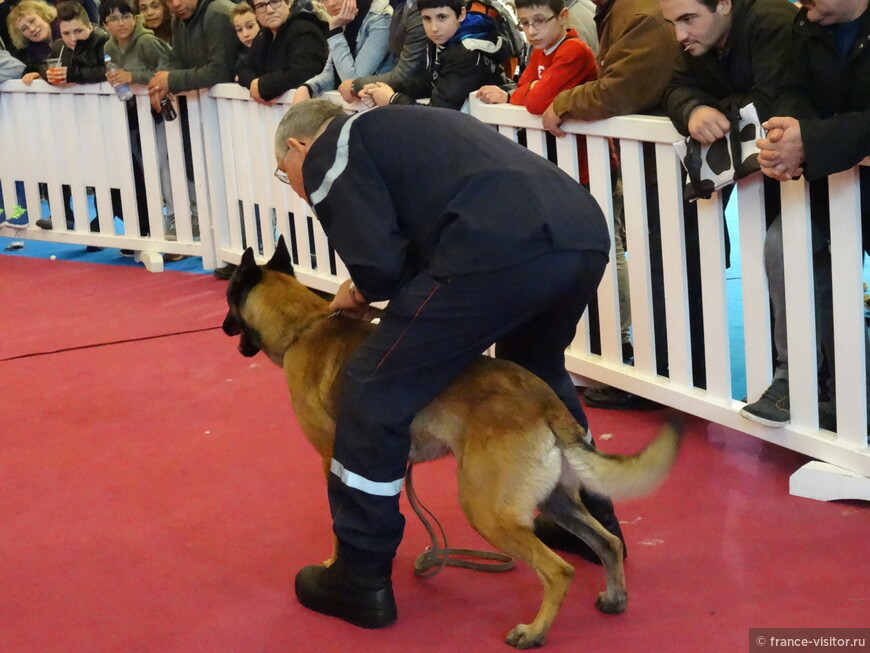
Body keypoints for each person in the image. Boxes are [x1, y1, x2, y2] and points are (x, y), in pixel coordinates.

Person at [274, 99, 613, 628]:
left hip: (495, 245)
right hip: (580, 231)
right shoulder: (401, 125)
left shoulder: (328, 151)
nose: (297, 187)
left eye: (285, 174)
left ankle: (359, 575)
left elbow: (381, 268)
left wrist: (361, 287)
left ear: (298, 147)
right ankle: (587, 524)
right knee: (535, 371)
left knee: (366, 388)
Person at [747, 0, 870, 429]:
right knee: (783, 246)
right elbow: (787, 91)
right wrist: (792, 133)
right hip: (830, 180)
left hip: (837, 168)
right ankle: (797, 377)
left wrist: (811, 139)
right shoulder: (804, 25)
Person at [476, 0, 598, 183]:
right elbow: (523, 86)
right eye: (525, 23)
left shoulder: (574, 50)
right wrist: (533, 88)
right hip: (556, 159)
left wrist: (525, 91)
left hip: (586, 164)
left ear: (563, 16)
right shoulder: (540, 50)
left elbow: (536, 102)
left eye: (540, 21)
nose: (531, 31)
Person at [357, 0, 511, 109]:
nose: (434, 28)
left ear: (461, 14)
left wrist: (391, 99)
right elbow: (429, 82)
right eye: (427, 18)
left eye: (442, 17)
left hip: (486, 135)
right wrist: (382, 89)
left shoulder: (466, 52)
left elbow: (438, 112)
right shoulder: (443, 39)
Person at [291, 0, 394, 103]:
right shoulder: (344, 19)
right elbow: (332, 72)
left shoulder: (381, 17)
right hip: (356, 108)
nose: (331, 4)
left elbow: (352, 83)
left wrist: (335, 31)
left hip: (380, 109)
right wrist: (307, 88)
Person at [235, 0, 329, 104]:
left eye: (275, 2)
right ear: (255, 13)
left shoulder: (304, 29)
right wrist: (254, 84)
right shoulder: (263, 35)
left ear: (288, 3)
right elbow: (243, 67)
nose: (269, 10)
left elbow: (304, 72)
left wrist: (264, 87)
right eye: (261, 6)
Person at [337, 0, 426, 104]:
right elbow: (331, 71)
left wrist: (356, 85)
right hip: (405, 94)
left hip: (420, 99)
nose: (331, 3)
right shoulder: (401, 6)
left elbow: (404, 75)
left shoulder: (384, 14)